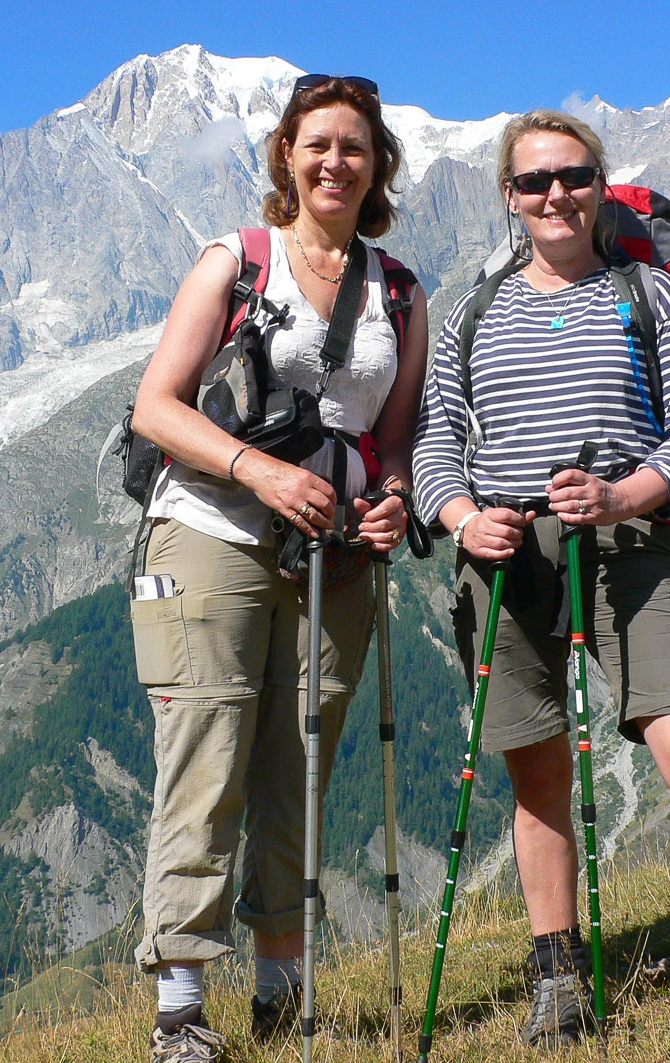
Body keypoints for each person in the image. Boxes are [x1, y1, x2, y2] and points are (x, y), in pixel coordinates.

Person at [412, 109, 670, 1063]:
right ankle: (558, 980)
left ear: (600, 184)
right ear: (508, 198)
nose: (555, 195)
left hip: (632, 546)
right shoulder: (471, 309)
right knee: (538, 774)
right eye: (533, 182)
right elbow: (434, 444)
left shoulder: (649, 296)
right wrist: (466, 517)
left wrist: (621, 491)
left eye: (574, 176)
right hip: (505, 558)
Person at [126, 74, 428, 1062]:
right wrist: (259, 470)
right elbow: (157, 407)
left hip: (334, 552)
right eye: (318, 144)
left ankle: (282, 1000)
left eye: (355, 146)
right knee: (206, 756)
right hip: (211, 533)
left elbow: (392, 439)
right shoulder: (237, 262)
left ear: (378, 162)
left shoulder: (402, 291)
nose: (336, 161)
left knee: (299, 764)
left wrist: (386, 501)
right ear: (286, 157)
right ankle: (180, 1011)